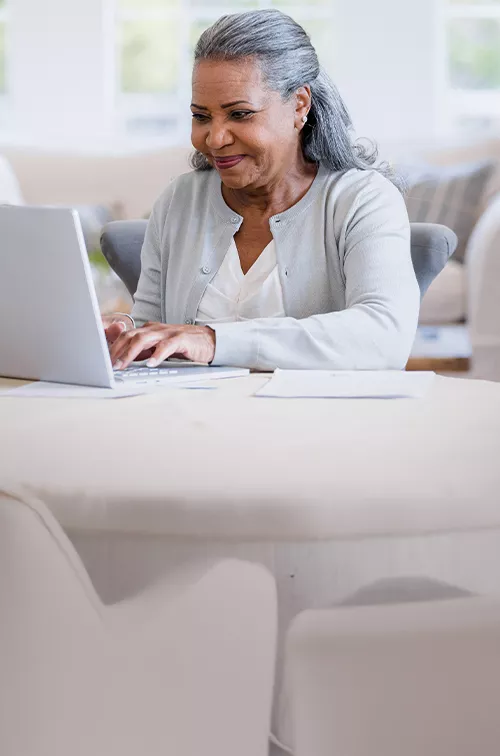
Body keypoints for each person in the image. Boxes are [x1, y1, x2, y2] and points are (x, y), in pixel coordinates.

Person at [106, 9, 420, 372]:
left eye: (239, 114)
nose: (215, 138)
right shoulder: (180, 200)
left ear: (299, 105)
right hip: (187, 420)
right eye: (201, 116)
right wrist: (125, 335)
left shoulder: (362, 200)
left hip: (318, 424)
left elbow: (384, 337)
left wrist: (213, 340)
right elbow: (154, 327)